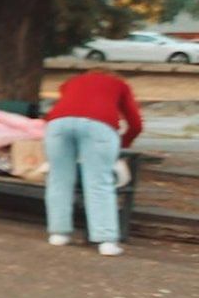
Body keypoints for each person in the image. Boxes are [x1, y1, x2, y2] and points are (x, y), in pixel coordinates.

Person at [43, 66, 143, 257]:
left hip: (57, 124)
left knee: (58, 178)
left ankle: (59, 233)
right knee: (99, 182)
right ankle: (106, 240)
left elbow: (62, 107)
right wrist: (123, 143)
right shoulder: (119, 84)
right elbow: (135, 123)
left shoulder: (71, 83)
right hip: (99, 126)